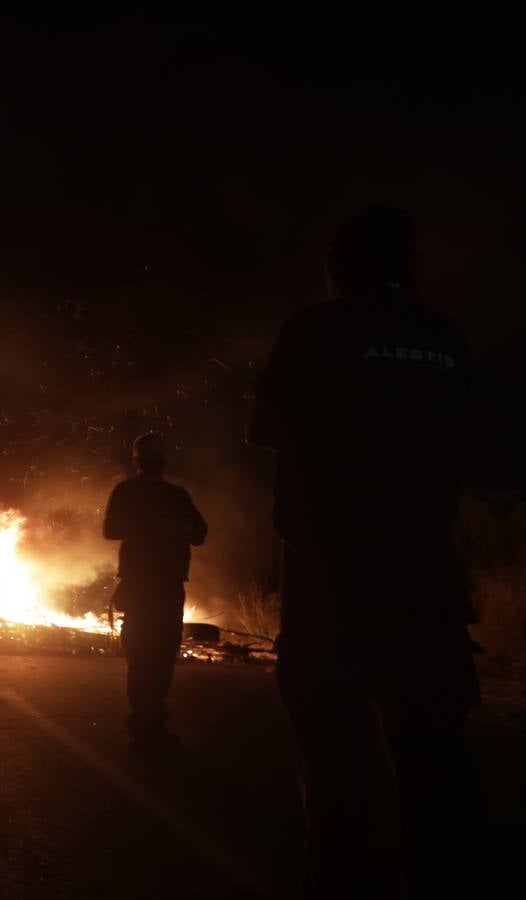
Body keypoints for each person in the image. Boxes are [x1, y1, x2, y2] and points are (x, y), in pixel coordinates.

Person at [250, 205, 485, 899]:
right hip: (426, 576)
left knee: (335, 758)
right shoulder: (442, 333)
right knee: (433, 761)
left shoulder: (316, 329)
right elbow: (472, 438)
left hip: (333, 573)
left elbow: (263, 427)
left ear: (342, 266)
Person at [102, 432, 207, 754]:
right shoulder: (163, 494)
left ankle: (147, 725)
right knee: (155, 655)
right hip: (155, 585)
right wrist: (158, 527)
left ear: (138, 461)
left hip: (152, 584)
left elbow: (199, 533)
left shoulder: (164, 494)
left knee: (148, 655)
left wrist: (167, 528)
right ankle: (148, 726)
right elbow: (200, 533)